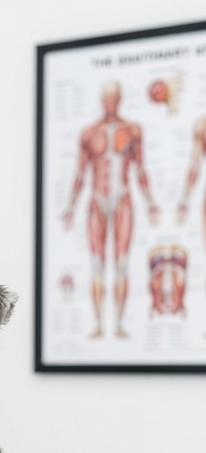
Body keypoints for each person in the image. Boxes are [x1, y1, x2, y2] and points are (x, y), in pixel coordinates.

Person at [62, 80, 159, 339]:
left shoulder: (132, 130)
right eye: (105, 97)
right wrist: (70, 206)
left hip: (123, 198)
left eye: (113, 97)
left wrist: (150, 203)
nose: (109, 102)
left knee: (122, 263)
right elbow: (80, 173)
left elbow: (140, 170)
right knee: (96, 263)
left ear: (120, 98)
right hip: (97, 199)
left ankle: (117, 324)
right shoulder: (89, 133)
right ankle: (98, 324)